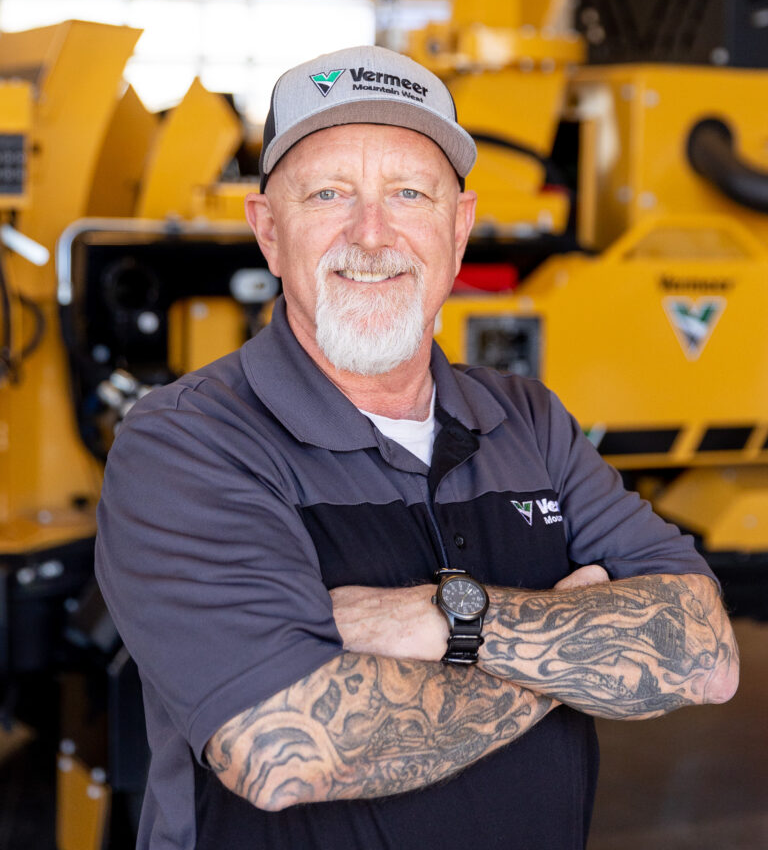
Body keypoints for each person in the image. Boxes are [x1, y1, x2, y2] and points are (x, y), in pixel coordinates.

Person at [96, 45, 738, 850]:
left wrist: (443, 618)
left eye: (409, 193)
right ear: (268, 230)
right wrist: (567, 659)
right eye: (329, 193)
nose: (372, 234)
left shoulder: (527, 419)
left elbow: (705, 655)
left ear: (458, 228)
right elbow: (285, 750)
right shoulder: (189, 442)